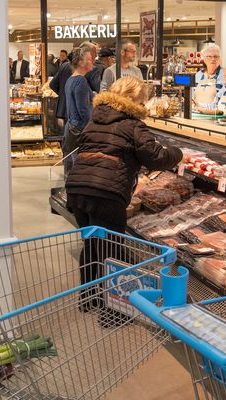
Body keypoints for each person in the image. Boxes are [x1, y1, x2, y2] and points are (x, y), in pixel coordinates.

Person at [65, 77, 183, 312]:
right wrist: (178, 153)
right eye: (143, 100)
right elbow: (156, 157)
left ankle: (89, 300)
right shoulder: (133, 125)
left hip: (78, 189)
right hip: (107, 193)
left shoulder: (95, 119)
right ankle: (114, 311)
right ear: (134, 100)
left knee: (92, 245)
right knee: (112, 251)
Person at [62, 45, 95, 173]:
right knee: (79, 168)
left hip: (71, 128)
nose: (92, 61)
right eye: (89, 59)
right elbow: (83, 111)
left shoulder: (71, 79)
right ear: (81, 62)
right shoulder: (81, 81)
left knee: (70, 166)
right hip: (79, 130)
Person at [193, 44, 224, 111]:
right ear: (204, 59)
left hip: (215, 115)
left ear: (220, 59)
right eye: (209, 56)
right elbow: (192, 96)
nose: (213, 59)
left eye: (216, 56)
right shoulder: (198, 75)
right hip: (197, 113)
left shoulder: (224, 75)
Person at [49, 51, 74, 130]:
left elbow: (52, 84)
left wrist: (61, 93)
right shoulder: (76, 69)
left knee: (65, 131)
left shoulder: (63, 66)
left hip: (63, 105)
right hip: (73, 107)